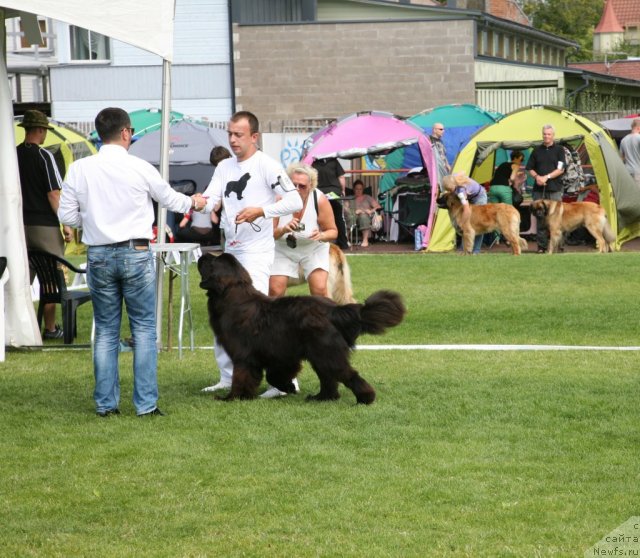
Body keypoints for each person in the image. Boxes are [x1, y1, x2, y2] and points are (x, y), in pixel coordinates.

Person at [58, 107, 207, 417]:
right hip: (136, 252)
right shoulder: (140, 167)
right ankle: (145, 404)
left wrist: (93, 220)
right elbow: (171, 199)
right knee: (143, 329)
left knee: (107, 331)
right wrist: (195, 201)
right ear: (126, 133)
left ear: (100, 134)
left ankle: (106, 404)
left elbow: (67, 216)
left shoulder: (80, 169)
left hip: (98, 254)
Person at [200, 111, 303, 394]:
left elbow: (293, 199)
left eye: (238, 135)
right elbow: (211, 201)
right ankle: (228, 376)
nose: (232, 140)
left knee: (257, 321)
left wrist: (262, 211)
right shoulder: (223, 168)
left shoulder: (267, 166)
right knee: (222, 315)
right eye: (230, 134)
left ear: (254, 137)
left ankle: (285, 381)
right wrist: (197, 202)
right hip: (230, 253)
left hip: (257, 253)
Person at [264, 162, 337, 398]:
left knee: (319, 289)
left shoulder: (320, 199)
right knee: (275, 290)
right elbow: (270, 234)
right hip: (283, 247)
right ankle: (278, 328)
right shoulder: (278, 199)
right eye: (293, 184)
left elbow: (333, 231)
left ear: (311, 186)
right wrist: (283, 228)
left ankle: (330, 330)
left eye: (302, 186)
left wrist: (322, 234)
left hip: (313, 247)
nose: (297, 188)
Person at [17, 109, 74, 340]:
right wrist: (66, 224)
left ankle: (20, 327)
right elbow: (54, 194)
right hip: (45, 227)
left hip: (19, 227)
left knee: (21, 280)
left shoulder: (11, 155)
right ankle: (50, 329)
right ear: (40, 130)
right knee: (50, 278)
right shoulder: (44, 156)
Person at [175, 146, 232, 246]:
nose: (219, 169)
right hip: (227, 225)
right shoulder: (219, 177)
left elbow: (182, 224)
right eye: (217, 166)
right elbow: (215, 208)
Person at [525, 124, 566, 253]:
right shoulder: (536, 150)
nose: (546, 136)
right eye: (544, 134)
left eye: (549, 134)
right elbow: (529, 168)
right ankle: (541, 247)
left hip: (555, 189)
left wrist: (546, 177)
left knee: (558, 220)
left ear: (553, 135)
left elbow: (561, 169)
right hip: (539, 190)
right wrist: (537, 177)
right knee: (540, 219)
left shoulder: (560, 150)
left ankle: (558, 246)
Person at [442, 172, 487, 254]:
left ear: (454, 185)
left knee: (477, 224)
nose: (449, 192)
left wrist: (462, 223)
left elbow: (466, 209)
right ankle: (464, 249)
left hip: (479, 197)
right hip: (469, 197)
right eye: (447, 190)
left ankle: (476, 250)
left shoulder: (461, 191)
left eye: (450, 189)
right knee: (467, 227)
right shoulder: (452, 179)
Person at [312, 157, 349, 250]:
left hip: (319, 194)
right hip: (334, 193)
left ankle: (317, 243)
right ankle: (343, 244)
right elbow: (341, 177)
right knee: (339, 218)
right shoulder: (334, 161)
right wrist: (343, 190)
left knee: (317, 218)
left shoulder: (313, 164)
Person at [345, 179, 382, 248]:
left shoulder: (367, 197)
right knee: (350, 217)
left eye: (360, 189)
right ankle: (346, 240)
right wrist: (353, 211)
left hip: (365, 216)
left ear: (363, 189)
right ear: (353, 189)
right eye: (356, 189)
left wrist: (371, 211)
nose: (358, 191)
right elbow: (345, 208)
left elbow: (378, 206)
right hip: (353, 215)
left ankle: (365, 240)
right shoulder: (350, 198)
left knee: (363, 216)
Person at [619, 118, 640, 188]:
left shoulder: (623, 140)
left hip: (627, 171)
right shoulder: (638, 138)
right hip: (637, 172)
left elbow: (621, 158)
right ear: (638, 128)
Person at [430, 122, 451, 188]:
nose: (443, 131)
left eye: (444, 129)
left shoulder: (440, 141)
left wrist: (448, 166)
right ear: (434, 130)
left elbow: (443, 156)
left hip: (443, 169)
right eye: (441, 129)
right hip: (436, 170)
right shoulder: (430, 141)